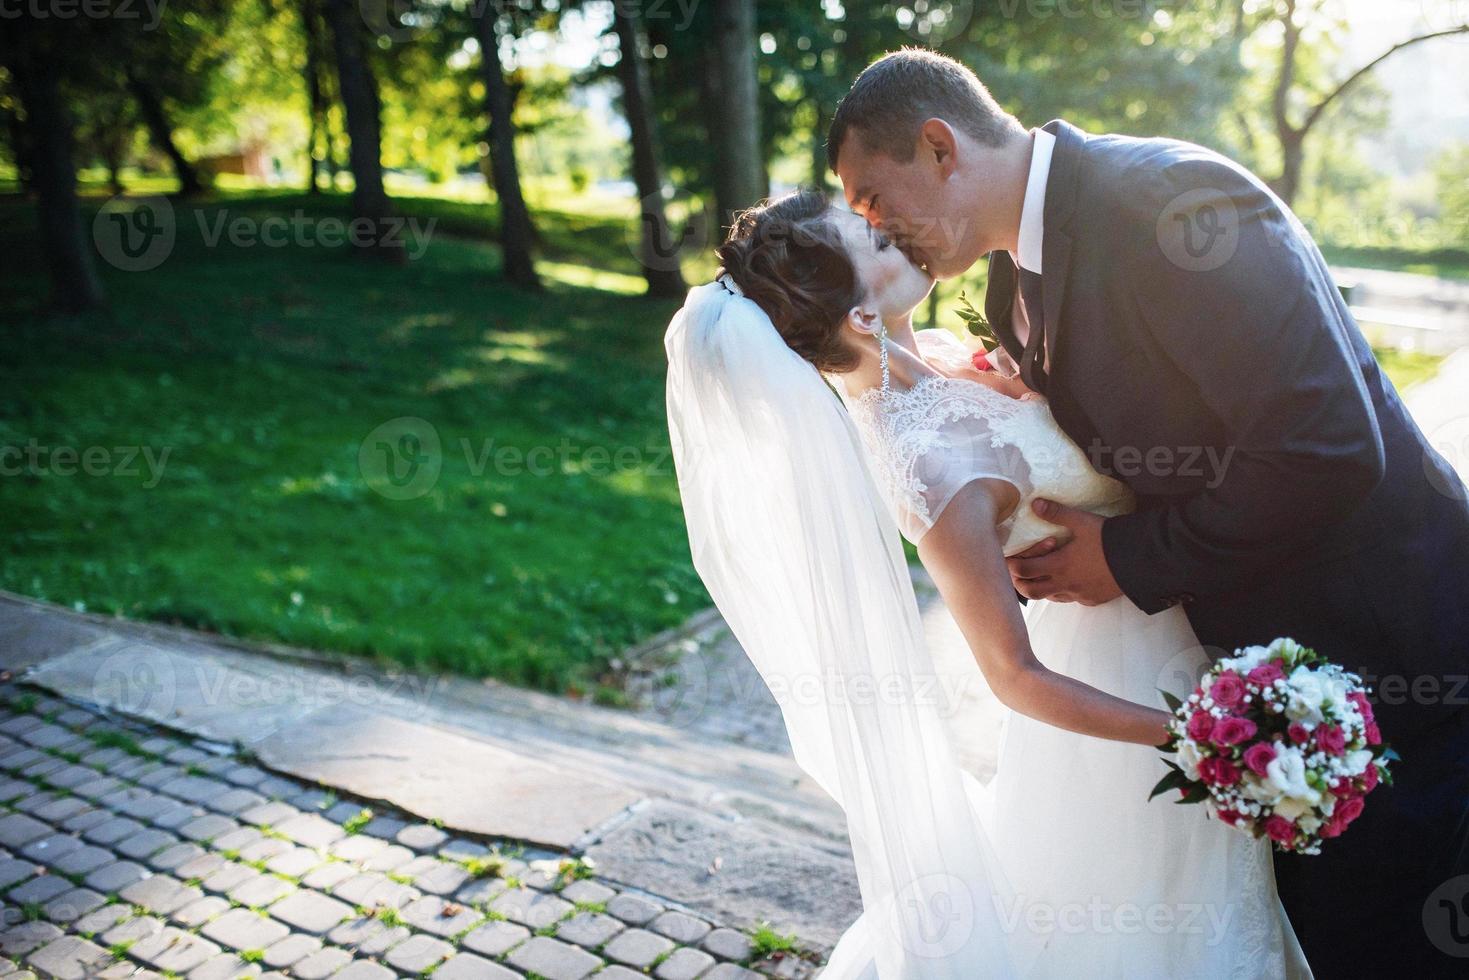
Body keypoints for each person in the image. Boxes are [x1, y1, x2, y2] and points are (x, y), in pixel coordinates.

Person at [824, 48, 1469, 978]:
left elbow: (1323, 445)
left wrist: (1126, 559)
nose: (875, 228)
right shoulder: (1012, 288)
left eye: (872, 199)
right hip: (1264, 680)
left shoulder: (1173, 207)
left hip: (1394, 649)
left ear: (938, 146)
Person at [664, 189, 1308, 978]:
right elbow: (1012, 676)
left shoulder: (926, 361)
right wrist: (1190, 739)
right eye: (875, 239)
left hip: (1162, 628)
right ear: (861, 319)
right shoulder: (933, 470)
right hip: (1124, 701)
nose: (896, 229)